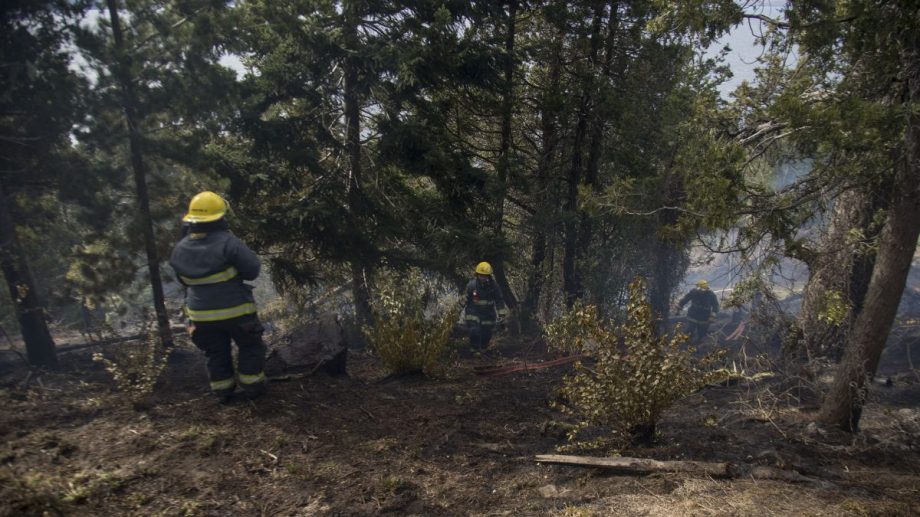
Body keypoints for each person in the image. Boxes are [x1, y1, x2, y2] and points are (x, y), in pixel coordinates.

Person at [170, 191, 267, 403]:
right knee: (250, 346)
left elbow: (183, 280)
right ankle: (252, 388)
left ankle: (223, 392)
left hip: (200, 316)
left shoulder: (180, 248)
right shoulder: (228, 242)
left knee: (215, 352)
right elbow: (252, 270)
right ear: (220, 217)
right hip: (237, 312)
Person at [463, 262, 509, 349]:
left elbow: (499, 300)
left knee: (487, 333)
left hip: (488, 314)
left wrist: (502, 315)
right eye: (481, 275)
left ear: (489, 276)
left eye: (485, 275)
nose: (483, 277)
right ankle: (474, 350)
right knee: (474, 331)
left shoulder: (493, 286)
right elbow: (464, 299)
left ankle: (483, 349)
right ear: (477, 275)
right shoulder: (472, 285)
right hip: (473, 313)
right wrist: (456, 311)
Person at [676, 279, 720, 344]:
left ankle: (698, 344)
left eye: (703, 289)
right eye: (700, 289)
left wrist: (712, 316)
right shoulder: (694, 292)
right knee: (689, 329)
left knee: (701, 333)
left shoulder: (711, 295)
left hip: (704, 317)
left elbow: (715, 306)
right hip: (693, 315)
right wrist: (680, 305)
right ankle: (684, 343)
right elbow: (686, 299)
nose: (701, 291)